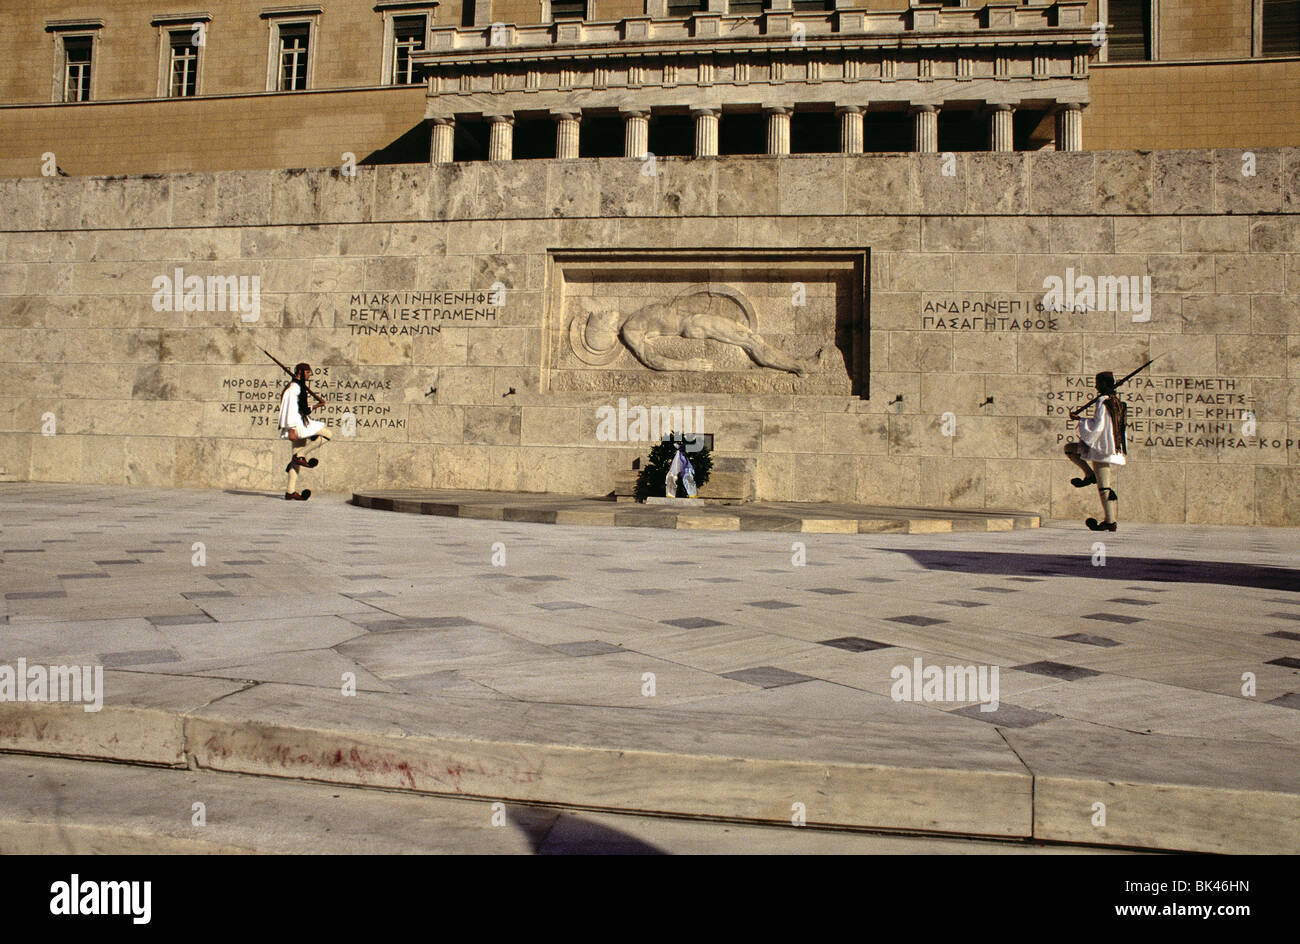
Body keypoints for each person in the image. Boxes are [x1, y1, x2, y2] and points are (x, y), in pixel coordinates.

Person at [1065, 371, 1128, 532]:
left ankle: (1110, 521)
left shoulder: (1103, 400)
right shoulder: (1116, 402)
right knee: (1070, 450)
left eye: (1098, 383)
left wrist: (1080, 421)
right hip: (1109, 447)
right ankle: (1089, 474)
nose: (1095, 386)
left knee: (1104, 486)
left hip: (1101, 448)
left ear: (1105, 384)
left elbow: (1098, 426)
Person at [278, 362, 331, 501]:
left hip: (300, 422)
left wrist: (317, 405)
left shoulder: (299, 386)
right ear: (301, 372)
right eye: (308, 372)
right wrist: (291, 429)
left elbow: (303, 408)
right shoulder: (293, 388)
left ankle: (290, 492)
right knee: (327, 434)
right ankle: (301, 455)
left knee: (296, 462)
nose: (310, 375)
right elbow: (289, 408)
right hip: (296, 425)